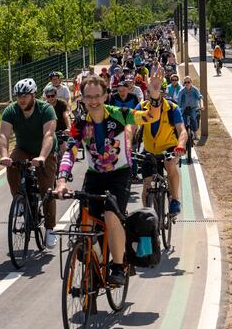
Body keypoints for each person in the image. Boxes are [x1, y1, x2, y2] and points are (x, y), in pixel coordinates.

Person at [56, 66, 166, 286]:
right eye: (88, 97)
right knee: (85, 225)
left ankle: (117, 266)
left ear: (105, 95)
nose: (93, 101)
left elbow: (151, 116)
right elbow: (70, 150)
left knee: (110, 214)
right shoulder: (80, 124)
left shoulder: (119, 114)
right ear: (82, 97)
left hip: (119, 176)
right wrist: (61, 180)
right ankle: (92, 260)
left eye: (97, 96)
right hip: (94, 175)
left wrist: (154, 95)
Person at [0, 78, 58, 249]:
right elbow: (4, 135)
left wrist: (41, 157)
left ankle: (49, 229)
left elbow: (48, 134)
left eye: (25, 95)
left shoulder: (46, 109)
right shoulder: (11, 110)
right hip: (23, 148)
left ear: (33, 95)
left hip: (44, 150)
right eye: (18, 96)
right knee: (12, 167)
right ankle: (20, 202)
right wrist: (4, 156)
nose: (22, 99)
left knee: (47, 190)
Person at [137, 88, 187, 214]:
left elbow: (182, 130)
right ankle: (148, 215)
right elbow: (131, 126)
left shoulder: (172, 108)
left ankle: (175, 200)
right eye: (149, 92)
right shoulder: (142, 107)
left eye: (156, 92)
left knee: (170, 164)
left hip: (169, 147)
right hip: (149, 150)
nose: (152, 95)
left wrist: (180, 145)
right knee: (147, 184)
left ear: (162, 94)